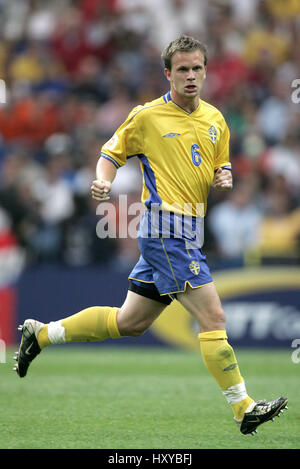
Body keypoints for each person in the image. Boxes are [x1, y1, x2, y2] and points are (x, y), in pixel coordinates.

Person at [14, 35, 287, 435]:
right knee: (214, 316)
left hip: (191, 228)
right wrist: (102, 182)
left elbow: (218, 165)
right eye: (182, 70)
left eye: (196, 68)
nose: (191, 76)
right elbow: (111, 153)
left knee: (130, 322)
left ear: (206, 70)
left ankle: (41, 334)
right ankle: (243, 407)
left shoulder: (216, 120)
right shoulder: (146, 116)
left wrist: (224, 174)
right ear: (168, 74)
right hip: (164, 228)